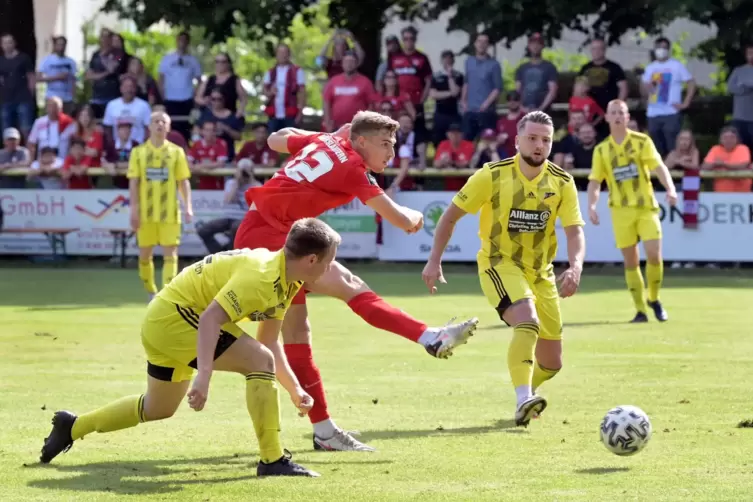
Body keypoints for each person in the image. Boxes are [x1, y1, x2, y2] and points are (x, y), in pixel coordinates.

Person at [234, 111, 478, 451]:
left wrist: (332, 134)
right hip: (272, 238)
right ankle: (428, 337)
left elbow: (278, 137)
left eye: (393, 146)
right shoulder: (352, 167)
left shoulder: (326, 141)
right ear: (360, 140)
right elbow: (401, 219)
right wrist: (418, 216)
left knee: (296, 330)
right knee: (328, 301)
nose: (390, 155)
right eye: (384, 145)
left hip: (266, 231)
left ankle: (322, 430)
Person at [40, 219, 340, 478]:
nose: (330, 267)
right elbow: (211, 318)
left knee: (158, 408)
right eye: (329, 260)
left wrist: (294, 389)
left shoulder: (287, 280)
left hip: (165, 322)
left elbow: (270, 340)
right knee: (258, 361)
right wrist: (204, 376)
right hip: (176, 318)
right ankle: (273, 460)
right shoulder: (261, 276)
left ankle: (73, 426)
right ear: (311, 259)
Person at [422, 111, 586, 427]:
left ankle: (529, 390)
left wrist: (576, 266)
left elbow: (575, 230)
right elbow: (450, 216)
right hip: (500, 264)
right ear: (517, 140)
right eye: (533, 138)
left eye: (546, 140)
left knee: (552, 363)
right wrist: (434, 260)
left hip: (542, 273)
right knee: (527, 323)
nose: (539, 145)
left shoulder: (562, 182)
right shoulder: (492, 176)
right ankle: (523, 398)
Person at [587, 100, 678, 322]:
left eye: (621, 112)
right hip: (620, 210)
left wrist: (670, 188)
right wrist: (591, 204)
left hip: (645, 206)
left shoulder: (641, 141)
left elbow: (658, 167)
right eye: (613, 113)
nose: (617, 116)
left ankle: (654, 298)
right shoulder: (602, 150)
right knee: (631, 261)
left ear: (628, 117)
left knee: (655, 255)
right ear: (607, 117)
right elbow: (595, 181)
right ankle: (640, 310)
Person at [128, 111, 194, 300]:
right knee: (144, 256)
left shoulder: (176, 152)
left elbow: (183, 181)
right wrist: (133, 210)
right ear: (149, 127)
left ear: (169, 127)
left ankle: (165, 294)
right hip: (145, 214)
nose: (159, 124)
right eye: (155, 121)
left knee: (170, 254)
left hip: (169, 213)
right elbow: (133, 183)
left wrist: (188, 206)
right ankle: (150, 290)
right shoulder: (138, 153)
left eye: (163, 121)